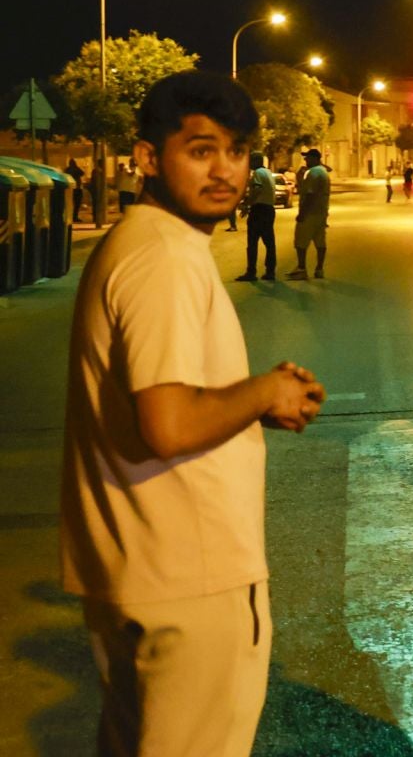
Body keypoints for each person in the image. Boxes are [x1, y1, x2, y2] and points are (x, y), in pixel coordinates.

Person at [61, 71, 326, 757]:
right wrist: (264, 392)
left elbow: (158, 401)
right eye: (201, 150)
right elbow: (169, 423)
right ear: (149, 157)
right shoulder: (165, 259)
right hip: (190, 579)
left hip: (137, 569)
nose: (226, 171)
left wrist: (248, 405)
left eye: (237, 151)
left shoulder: (143, 243)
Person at [287, 148, 330, 280]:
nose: (305, 160)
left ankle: (301, 268)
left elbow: (310, 195)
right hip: (321, 213)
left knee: (300, 242)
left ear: (315, 159)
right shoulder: (323, 172)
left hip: (310, 213)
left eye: (308, 157)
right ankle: (319, 269)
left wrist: (302, 213)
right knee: (320, 242)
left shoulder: (313, 173)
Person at [237, 151, 278, 282]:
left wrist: (247, 204)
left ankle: (251, 272)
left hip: (260, 210)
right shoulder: (268, 173)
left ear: (255, 161)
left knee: (252, 243)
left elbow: (258, 189)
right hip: (269, 209)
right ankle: (270, 271)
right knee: (269, 242)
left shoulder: (258, 173)